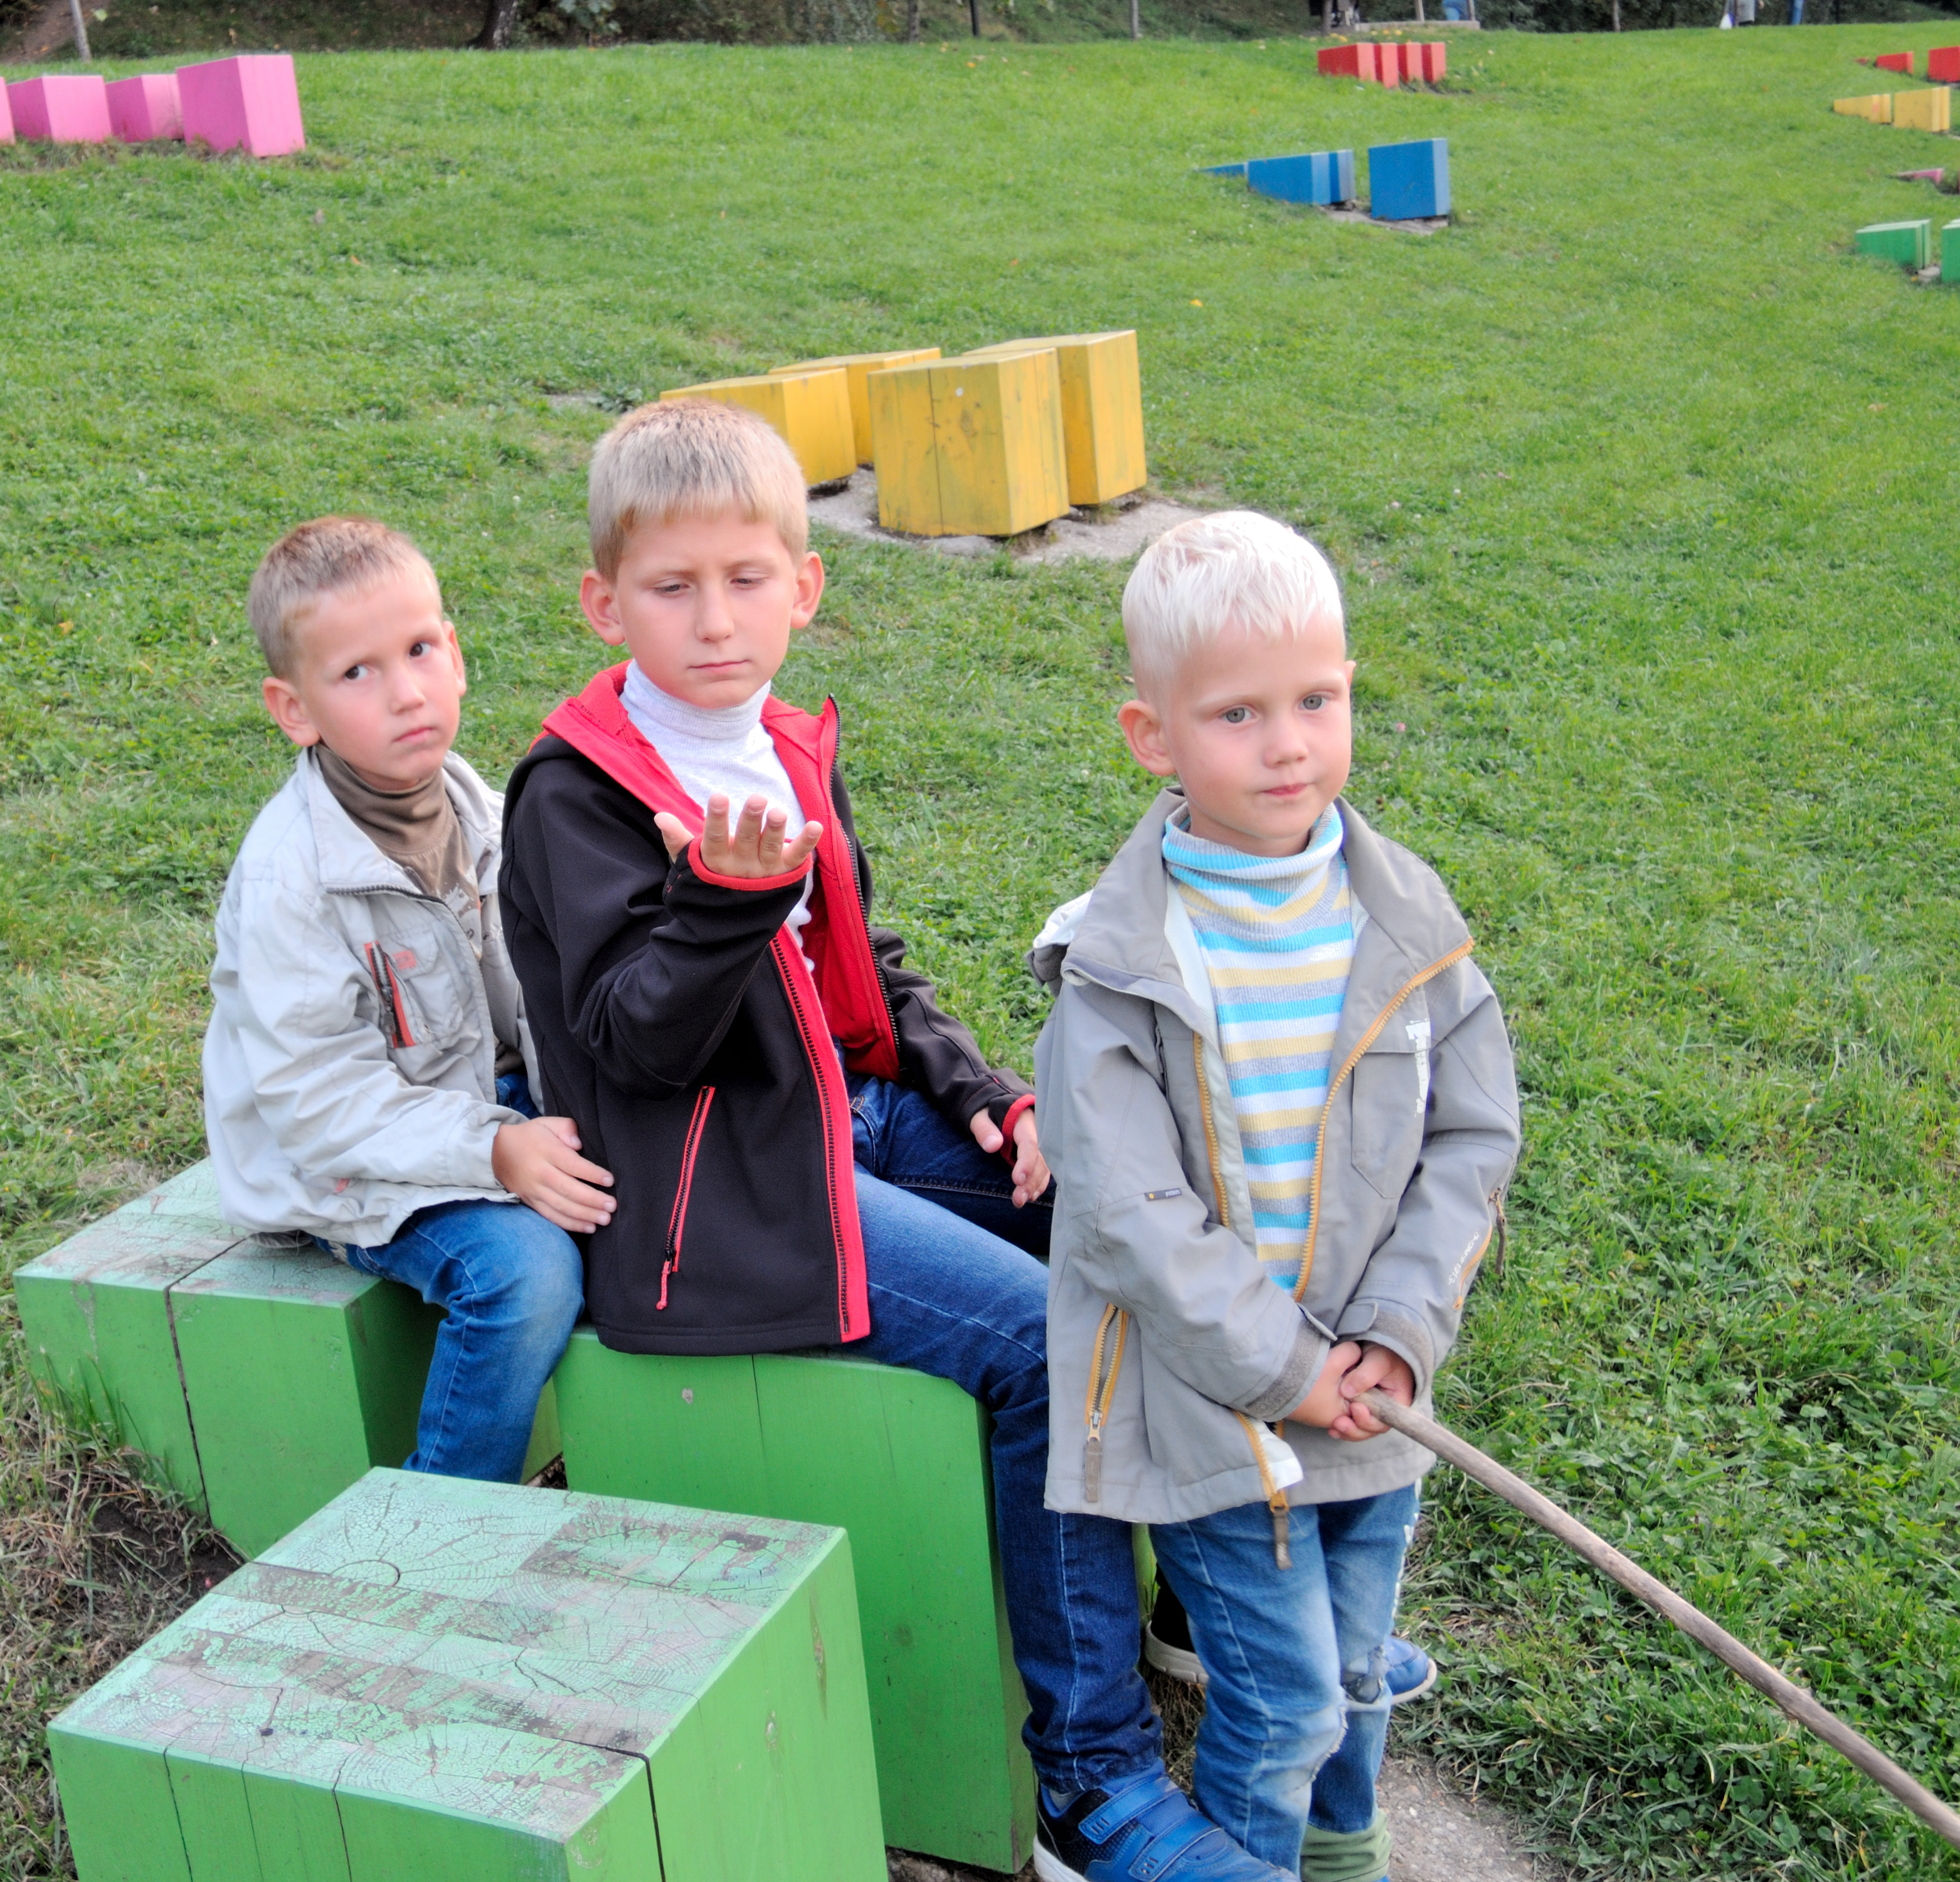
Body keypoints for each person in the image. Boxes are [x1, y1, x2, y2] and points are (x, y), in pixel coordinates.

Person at [503, 398, 1288, 1882]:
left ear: (804, 586)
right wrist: (722, 905)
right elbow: (630, 1044)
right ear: (604, 604)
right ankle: (1090, 1790)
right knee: (1042, 1348)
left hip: (843, 1119)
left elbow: (857, 966)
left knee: (1140, 1219)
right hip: (712, 1202)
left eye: (746, 579)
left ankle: (1200, 1602)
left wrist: (976, 1090)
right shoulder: (579, 791)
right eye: (670, 588)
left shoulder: (782, 740)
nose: (713, 620)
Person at [1031, 510, 1522, 1882]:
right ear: (1152, 735)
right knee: (1287, 1696)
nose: (1288, 744)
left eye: (1315, 700)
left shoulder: (1406, 924)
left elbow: (1471, 1137)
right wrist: (1285, 1369)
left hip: (1372, 1387)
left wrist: (1394, 1335)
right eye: (1237, 714)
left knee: (1355, 1670)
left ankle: (1343, 1852)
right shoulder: (1117, 969)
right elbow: (1127, 1217)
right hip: (1210, 1403)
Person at [203, 516, 613, 1485]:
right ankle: (444, 1523)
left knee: (670, 1182)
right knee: (524, 1277)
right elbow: (316, 1103)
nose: (405, 692)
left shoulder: (491, 812)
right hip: (347, 1164)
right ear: (294, 708)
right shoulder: (292, 881)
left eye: (421, 650)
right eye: (357, 672)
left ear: (456, 655)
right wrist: (496, 1150)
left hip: (483, 1106)